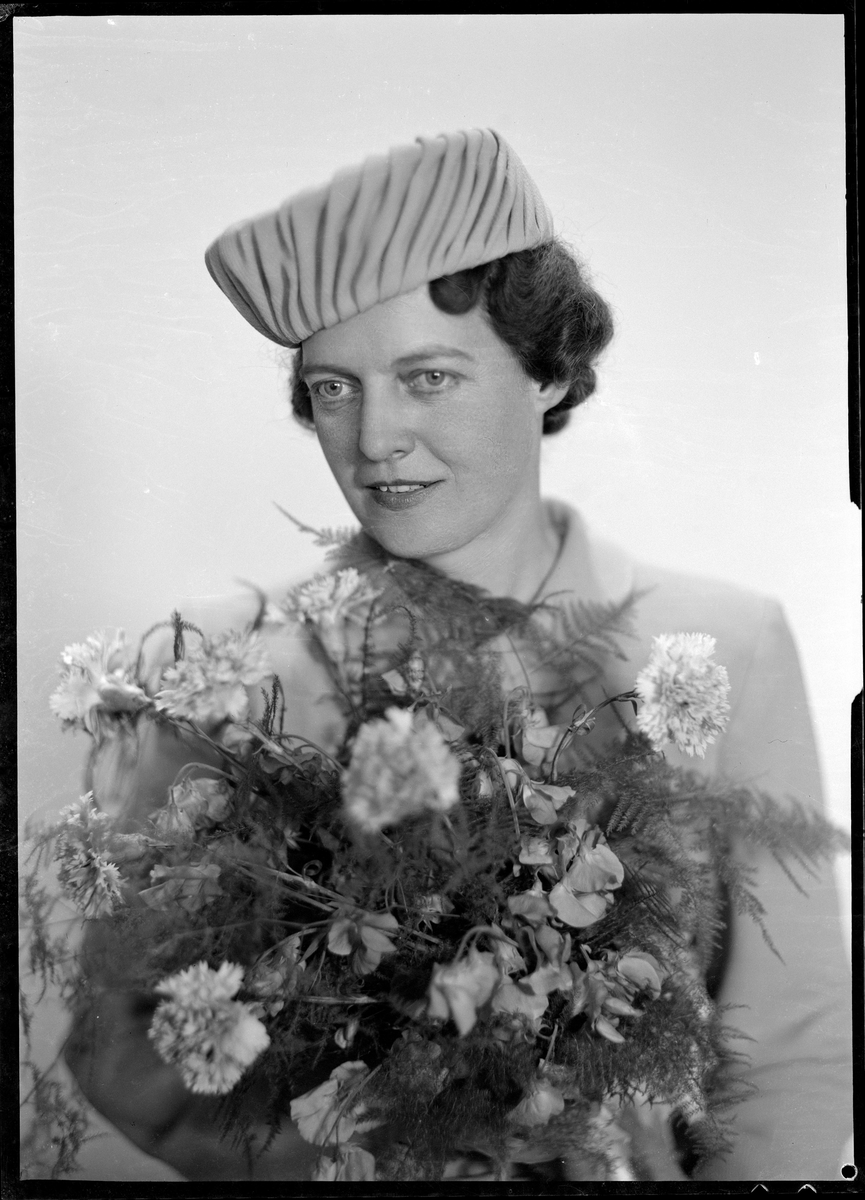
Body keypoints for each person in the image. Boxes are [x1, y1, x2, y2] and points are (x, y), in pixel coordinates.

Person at [64, 129, 851, 1181]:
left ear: (545, 371)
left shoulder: (723, 643)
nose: (374, 437)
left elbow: (794, 1047)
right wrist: (373, 1158)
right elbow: (119, 1041)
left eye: (427, 376)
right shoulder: (227, 672)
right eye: (333, 388)